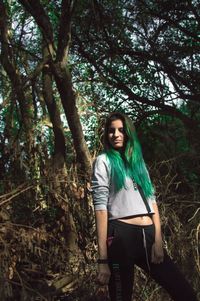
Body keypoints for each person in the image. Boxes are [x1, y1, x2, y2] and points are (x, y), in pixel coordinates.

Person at [91, 112, 197, 301]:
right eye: (111, 131)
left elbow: (152, 201)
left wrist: (158, 240)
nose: (116, 134)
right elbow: (100, 209)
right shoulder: (103, 161)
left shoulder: (138, 163)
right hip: (120, 238)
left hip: (148, 236)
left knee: (185, 293)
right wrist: (102, 260)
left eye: (121, 130)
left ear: (128, 133)